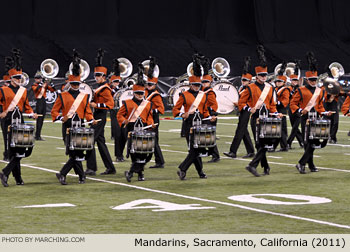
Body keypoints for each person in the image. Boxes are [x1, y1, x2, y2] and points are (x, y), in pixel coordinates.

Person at [51, 53, 96, 185]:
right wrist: (61, 118)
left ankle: (65, 174)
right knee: (73, 153)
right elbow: (54, 111)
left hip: (81, 127)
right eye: (74, 84)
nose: (76, 86)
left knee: (77, 152)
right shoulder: (62, 96)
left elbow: (87, 112)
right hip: (68, 128)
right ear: (70, 83)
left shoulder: (84, 96)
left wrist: (91, 119)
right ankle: (79, 176)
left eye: (77, 84)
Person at [238, 45, 281, 177]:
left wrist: (275, 113)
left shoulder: (270, 88)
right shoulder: (250, 88)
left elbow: (272, 105)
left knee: (264, 144)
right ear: (257, 76)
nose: (264, 77)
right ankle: (261, 166)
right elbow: (241, 102)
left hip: (267, 119)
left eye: (265, 75)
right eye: (261, 75)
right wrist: (248, 108)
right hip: (256, 118)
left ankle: (257, 166)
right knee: (260, 144)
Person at [0, 49, 38, 187]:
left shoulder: (23, 91)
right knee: (12, 151)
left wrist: (31, 113)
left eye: (20, 78)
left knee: (21, 150)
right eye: (16, 78)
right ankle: (17, 178)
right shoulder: (3, 90)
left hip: (19, 121)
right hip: (7, 121)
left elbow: (26, 106)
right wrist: (1, 113)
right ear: (11, 78)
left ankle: (6, 173)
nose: (19, 80)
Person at [290, 52, 332, 174]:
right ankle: (304, 164)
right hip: (306, 119)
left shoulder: (320, 91)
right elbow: (293, 103)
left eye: (315, 79)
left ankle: (307, 164)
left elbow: (319, 106)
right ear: (307, 79)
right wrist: (299, 110)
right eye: (311, 80)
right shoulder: (301, 90)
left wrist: (325, 112)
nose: (314, 82)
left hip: (316, 119)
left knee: (313, 142)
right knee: (309, 142)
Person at [173, 54, 209, 180]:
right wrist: (183, 114)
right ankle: (187, 170)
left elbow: (205, 111)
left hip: (201, 125)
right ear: (190, 84)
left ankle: (193, 171)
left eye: (198, 85)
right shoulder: (184, 95)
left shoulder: (203, 95)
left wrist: (210, 117)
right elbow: (175, 110)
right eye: (194, 85)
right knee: (195, 149)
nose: (197, 87)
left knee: (198, 149)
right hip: (189, 125)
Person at [118, 67, 155, 182]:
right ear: (134, 93)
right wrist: (124, 120)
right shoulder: (127, 103)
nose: (140, 95)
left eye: (141, 93)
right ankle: (140, 174)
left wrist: (151, 124)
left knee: (146, 153)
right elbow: (119, 115)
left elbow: (149, 116)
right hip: (131, 129)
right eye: (138, 93)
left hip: (144, 129)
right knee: (135, 153)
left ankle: (131, 172)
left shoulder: (147, 104)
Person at [85, 48, 116, 176]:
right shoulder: (98, 87)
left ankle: (91, 168)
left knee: (90, 140)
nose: (96, 77)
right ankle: (110, 167)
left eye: (99, 75)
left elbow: (110, 104)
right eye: (95, 75)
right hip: (96, 115)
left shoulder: (105, 89)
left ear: (104, 76)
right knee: (100, 142)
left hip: (100, 116)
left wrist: (95, 104)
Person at [224, 56, 255, 159]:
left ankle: (233, 151)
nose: (243, 81)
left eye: (245, 80)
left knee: (240, 131)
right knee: (244, 131)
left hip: (246, 111)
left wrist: (238, 104)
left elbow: (248, 102)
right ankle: (251, 151)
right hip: (242, 111)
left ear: (249, 81)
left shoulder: (250, 89)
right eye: (242, 79)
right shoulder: (242, 88)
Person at [144, 56, 165, 168]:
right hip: (147, 119)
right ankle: (158, 161)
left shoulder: (156, 95)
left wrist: (151, 110)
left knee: (154, 140)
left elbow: (161, 109)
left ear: (155, 85)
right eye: (147, 84)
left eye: (150, 85)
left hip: (154, 119)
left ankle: (160, 161)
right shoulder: (145, 92)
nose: (148, 86)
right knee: (151, 140)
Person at [201, 57, 220, 163]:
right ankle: (210, 153)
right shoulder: (202, 92)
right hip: (205, 116)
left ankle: (215, 155)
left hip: (210, 116)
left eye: (206, 82)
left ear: (210, 82)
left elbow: (214, 105)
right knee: (205, 136)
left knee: (210, 137)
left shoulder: (210, 92)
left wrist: (213, 114)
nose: (204, 84)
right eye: (203, 82)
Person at [109, 58, 127, 162]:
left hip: (124, 111)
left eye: (118, 82)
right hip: (115, 111)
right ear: (111, 81)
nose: (117, 83)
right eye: (115, 82)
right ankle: (118, 155)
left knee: (125, 134)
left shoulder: (122, 88)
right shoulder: (109, 89)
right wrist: (115, 89)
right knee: (118, 134)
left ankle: (123, 153)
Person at [31, 71, 55, 141]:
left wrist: (51, 82)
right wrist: (42, 83)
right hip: (39, 102)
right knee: (39, 119)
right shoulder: (34, 85)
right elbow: (36, 89)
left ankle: (38, 135)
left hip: (43, 101)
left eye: (39, 78)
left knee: (42, 119)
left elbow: (53, 90)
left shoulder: (44, 85)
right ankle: (37, 135)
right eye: (37, 78)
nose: (38, 79)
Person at [286, 60, 304, 149]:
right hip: (290, 109)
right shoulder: (288, 89)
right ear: (291, 80)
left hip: (298, 109)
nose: (295, 82)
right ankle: (302, 142)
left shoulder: (300, 89)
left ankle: (288, 142)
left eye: (296, 80)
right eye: (293, 80)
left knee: (295, 127)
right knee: (294, 127)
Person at [273, 62, 290, 152]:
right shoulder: (275, 89)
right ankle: (281, 145)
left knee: (281, 129)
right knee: (276, 128)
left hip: (281, 110)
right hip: (275, 110)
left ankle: (284, 146)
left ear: (283, 82)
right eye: (276, 81)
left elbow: (286, 101)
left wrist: (277, 103)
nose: (277, 83)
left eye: (279, 81)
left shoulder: (285, 89)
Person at [1, 56, 13, 161]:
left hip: (14, 117)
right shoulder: (2, 91)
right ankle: (6, 153)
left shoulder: (15, 92)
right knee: (6, 137)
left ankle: (12, 153)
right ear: (5, 83)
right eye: (8, 82)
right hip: (5, 117)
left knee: (14, 136)